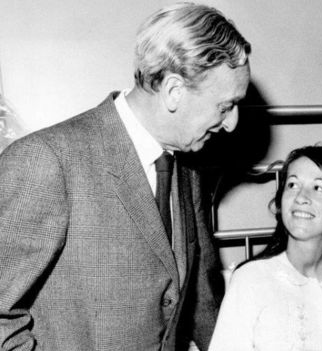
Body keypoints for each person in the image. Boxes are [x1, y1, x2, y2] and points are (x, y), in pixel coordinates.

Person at [0, 3, 251, 350]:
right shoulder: (48, 161)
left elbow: (200, 300)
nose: (232, 122)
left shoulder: (187, 167)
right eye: (225, 105)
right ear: (174, 91)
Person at [208, 145, 322, 351]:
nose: (301, 197)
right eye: (292, 185)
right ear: (280, 203)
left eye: (318, 188)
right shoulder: (251, 279)